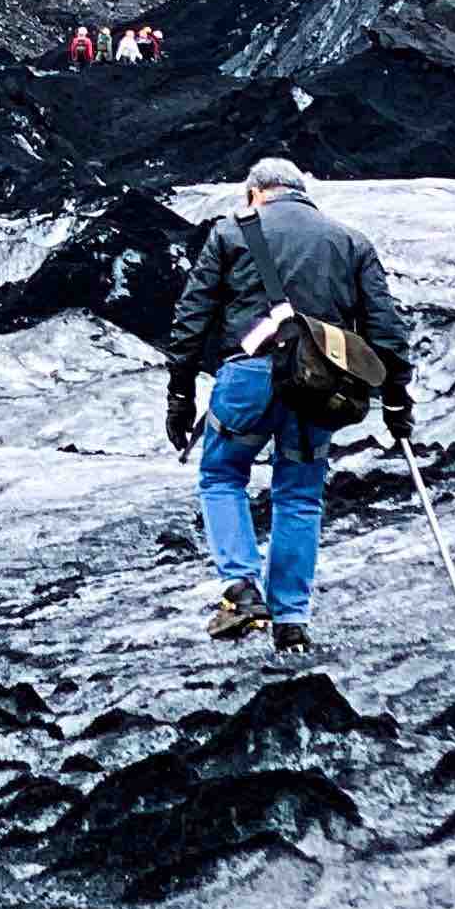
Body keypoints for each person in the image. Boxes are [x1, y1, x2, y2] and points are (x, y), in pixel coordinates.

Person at [165, 155, 415, 655]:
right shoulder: (350, 242)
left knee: (222, 477)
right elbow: (385, 330)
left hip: (247, 378)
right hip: (317, 386)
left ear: (255, 193)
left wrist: (180, 393)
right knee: (299, 497)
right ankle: (292, 622)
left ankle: (240, 588)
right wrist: (396, 401)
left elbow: (192, 317)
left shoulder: (231, 235)